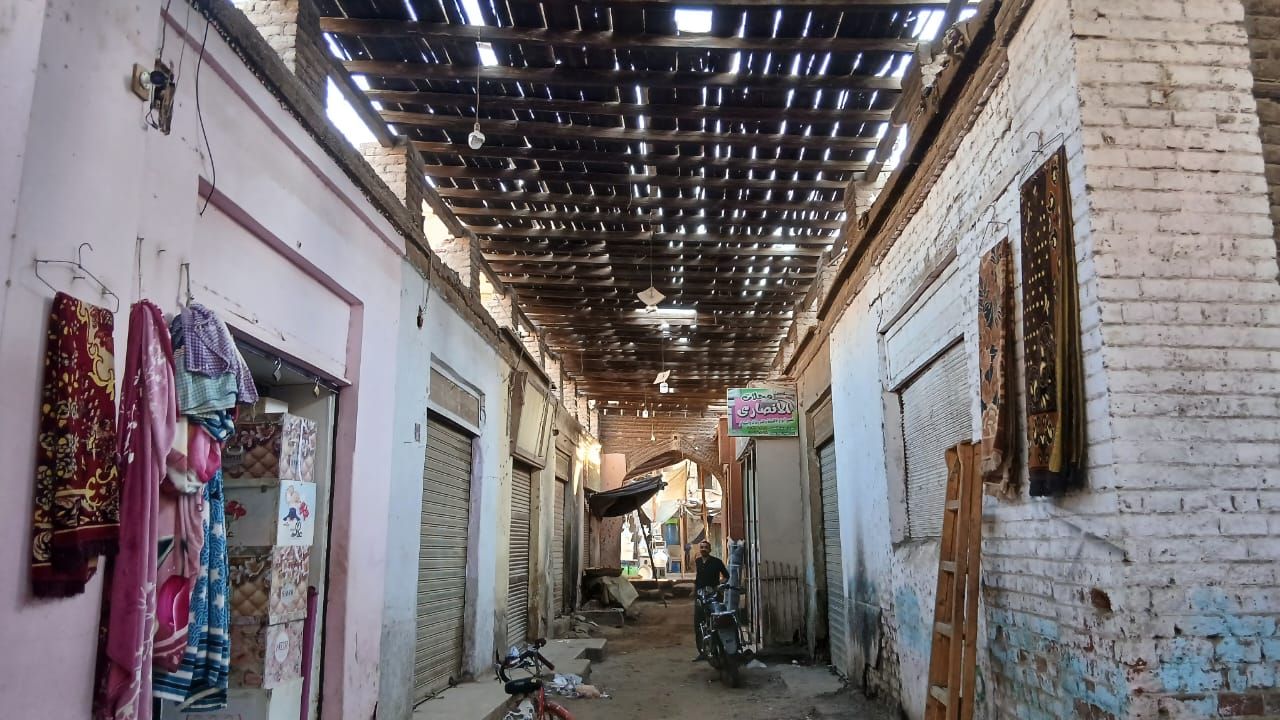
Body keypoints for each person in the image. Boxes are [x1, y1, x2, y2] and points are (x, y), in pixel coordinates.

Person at [691, 540, 729, 662]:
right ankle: (702, 652)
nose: (703, 549)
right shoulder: (698, 562)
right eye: (701, 547)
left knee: (716, 622)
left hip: (714, 596)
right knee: (699, 624)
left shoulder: (717, 562)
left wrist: (719, 586)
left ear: (710, 549)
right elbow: (698, 578)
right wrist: (694, 590)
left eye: (706, 547)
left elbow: (726, 576)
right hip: (700, 597)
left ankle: (721, 650)